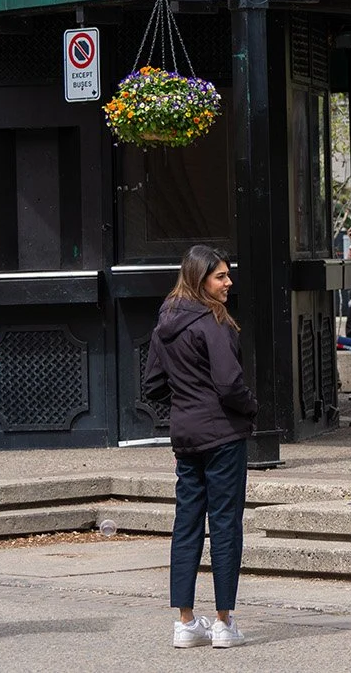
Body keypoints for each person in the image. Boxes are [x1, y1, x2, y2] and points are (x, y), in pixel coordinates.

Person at [143, 245, 255, 650]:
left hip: (186, 436)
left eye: (227, 275)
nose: (228, 283)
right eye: (220, 276)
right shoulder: (212, 321)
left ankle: (186, 622)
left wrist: (185, 399)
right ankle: (224, 622)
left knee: (186, 524)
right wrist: (250, 408)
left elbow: (152, 384)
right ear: (200, 280)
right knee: (225, 524)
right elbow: (229, 383)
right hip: (222, 434)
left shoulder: (165, 322)